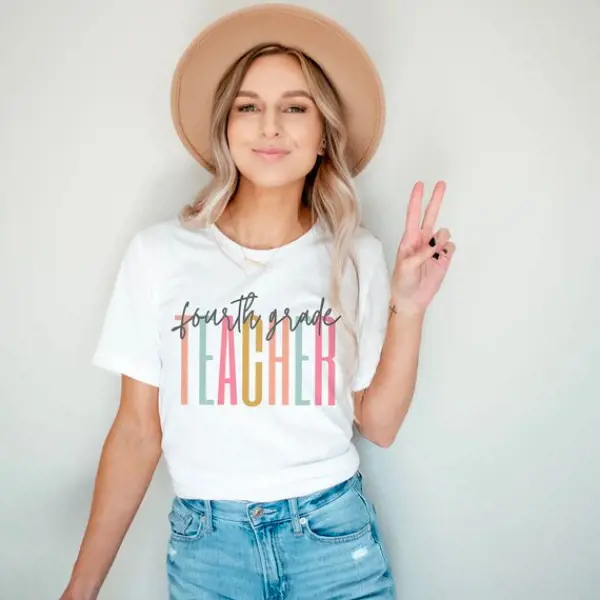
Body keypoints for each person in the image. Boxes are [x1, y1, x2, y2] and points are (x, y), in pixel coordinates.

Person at [61, 4, 454, 600]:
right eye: (249, 107)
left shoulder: (359, 257)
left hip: (332, 541)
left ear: (324, 135)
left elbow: (379, 423)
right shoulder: (159, 254)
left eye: (295, 107)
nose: (270, 127)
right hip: (206, 547)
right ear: (226, 127)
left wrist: (410, 309)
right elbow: (138, 434)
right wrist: (80, 590)